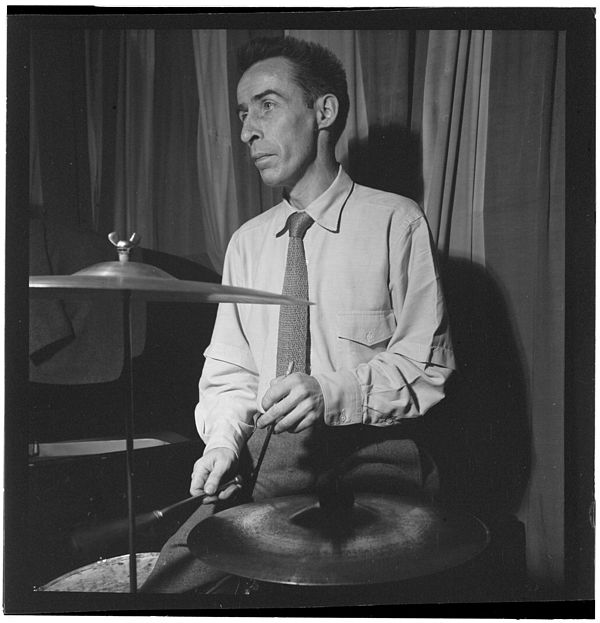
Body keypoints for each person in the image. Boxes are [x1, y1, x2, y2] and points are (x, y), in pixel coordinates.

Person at [141, 35, 455, 594]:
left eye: (266, 104)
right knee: (165, 586)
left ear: (324, 111)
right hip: (265, 466)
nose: (246, 132)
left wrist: (327, 392)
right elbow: (231, 374)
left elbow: (426, 367)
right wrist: (221, 443)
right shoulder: (246, 243)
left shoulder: (396, 223)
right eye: (242, 114)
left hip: (374, 462)